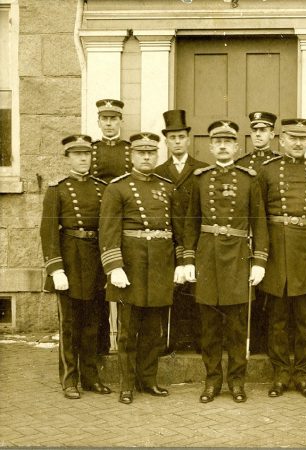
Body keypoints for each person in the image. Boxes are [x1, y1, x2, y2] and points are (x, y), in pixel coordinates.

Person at [182, 120, 269, 403]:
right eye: (217, 141)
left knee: (236, 326)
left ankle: (237, 381)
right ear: (210, 146)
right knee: (209, 327)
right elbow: (190, 223)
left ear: (235, 146)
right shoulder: (200, 178)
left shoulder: (249, 179)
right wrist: (188, 259)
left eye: (227, 141)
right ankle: (212, 381)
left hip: (238, 257)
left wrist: (259, 262)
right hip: (207, 256)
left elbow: (260, 223)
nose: (222, 146)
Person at [99, 132, 182, 405]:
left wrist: (180, 263)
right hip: (131, 267)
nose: (146, 157)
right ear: (131, 155)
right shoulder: (118, 188)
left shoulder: (168, 187)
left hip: (160, 265)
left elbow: (178, 230)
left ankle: (149, 381)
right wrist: (115, 267)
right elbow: (108, 231)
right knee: (127, 331)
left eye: (151, 152)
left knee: (153, 331)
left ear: (157, 155)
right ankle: (127, 384)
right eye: (140, 153)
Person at [257, 118, 306, 398]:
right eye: (293, 137)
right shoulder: (266, 171)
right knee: (277, 319)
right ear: (281, 139)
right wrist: (260, 257)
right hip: (276, 253)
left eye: (303, 138)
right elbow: (259, 218)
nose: (298, 142)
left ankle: (302, 374)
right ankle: (280, 373)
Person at [40, 134, 111, 399]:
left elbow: (107, 229)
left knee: (93, 323)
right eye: (77, 154)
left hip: (94, 259)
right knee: (69, 324)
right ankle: (69, 380)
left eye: (87, 154)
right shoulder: (57, 189)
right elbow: (48, 231)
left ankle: (91, 377)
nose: (83, 159)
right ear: (67, 157)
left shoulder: (101, 188)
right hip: (69, 260)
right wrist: (55, 269)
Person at [155, 109, 208, 352]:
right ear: (166, 141)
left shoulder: (202, 170)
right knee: (170, 292)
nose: (176, 142)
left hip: (197, 240)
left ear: (188, 139)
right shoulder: (157, 173)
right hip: (168, 242)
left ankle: (199, 341)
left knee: (197, 290)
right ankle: (170, 341)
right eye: (172, 137)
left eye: (180, 137)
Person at [234, 111, 279, 354]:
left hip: (272, 232)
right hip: (247, 234)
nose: (259, 135)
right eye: (255, 131)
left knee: (271, 290)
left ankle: (269, 344)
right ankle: (251, 341)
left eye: (264, 130)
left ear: (272, 134)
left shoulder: (278, 163)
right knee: (249, 288)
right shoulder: (241, 164)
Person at [91, 98, 132, 355]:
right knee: (97, 287)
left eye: (113, 119)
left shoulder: (129, 150)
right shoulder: (91, 150)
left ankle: (125, 342)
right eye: (104, 119)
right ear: (98, 121)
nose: (109, 124)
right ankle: (102, 344)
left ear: (120, 121)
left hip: (125, 224)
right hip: (97, 224)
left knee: (125, 283)